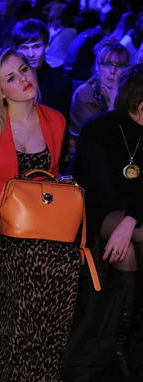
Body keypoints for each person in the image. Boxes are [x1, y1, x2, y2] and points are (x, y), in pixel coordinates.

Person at [0, 48, 80, 381]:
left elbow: (49, 178)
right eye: (11, 77)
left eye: (24, 69)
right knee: (31, 258)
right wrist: (15, 195)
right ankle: (17, 374)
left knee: (66, 260)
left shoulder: (56, 119)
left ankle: (45, 372)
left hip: (39, 225)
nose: (24, 78)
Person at [71, 64, 143, 379]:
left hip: (133, 219)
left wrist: (130, 222)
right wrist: (130, 218)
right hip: (95, 214)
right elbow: (101, 194)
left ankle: (120, 345)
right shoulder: (99, 128)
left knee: (126, 254)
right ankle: (120, 347)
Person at [68, 41, 129, 159]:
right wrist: (112, 103)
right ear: (97, 66)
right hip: (89, 156)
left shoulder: (129, 91)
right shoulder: (84, 94)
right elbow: (99, 139)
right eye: (107, 64)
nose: (113, 71)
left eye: (120, 65)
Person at [12, 18, 73, 121]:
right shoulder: (5, 81)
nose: (31, 54)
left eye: (36, 47)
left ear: (46, 47)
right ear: (16, 49)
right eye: (25, 48)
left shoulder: (61, 83)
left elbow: (60, 125)